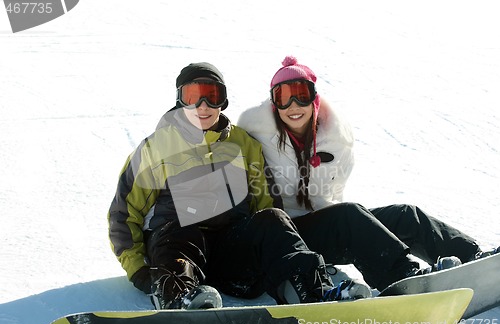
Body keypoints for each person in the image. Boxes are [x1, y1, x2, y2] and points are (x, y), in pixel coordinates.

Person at [107, 62, 370, 311]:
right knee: (177, 231)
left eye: (212, 95)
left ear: (223, 99)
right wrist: (139, 271)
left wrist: (270, 246)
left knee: (272, 218)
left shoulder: (243, 144)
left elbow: (265, 203)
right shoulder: (155, 148)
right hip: (178, 250)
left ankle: (315, 292)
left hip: (231, 258)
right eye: (192, 96)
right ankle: (181, 298)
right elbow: (123, 214)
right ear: (180, 99)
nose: (203, 106)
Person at [237, 56, 498, 291]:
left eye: (301, 95)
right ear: (274, 103)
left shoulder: (334, 140)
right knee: (349, 216)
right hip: (285, 236)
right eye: (283, 97)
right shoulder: (256, 133)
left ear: (314, 98)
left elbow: (333, 195)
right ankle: (402, 276)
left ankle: (473, 258)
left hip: (325, 225)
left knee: (405, 215)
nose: (293, 105)